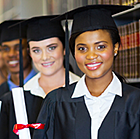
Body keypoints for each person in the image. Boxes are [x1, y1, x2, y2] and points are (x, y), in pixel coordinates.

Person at [32, 5, 140, 139]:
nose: (91, 56)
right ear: (73, 52)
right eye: (82, 49)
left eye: (100, 47)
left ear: (115, 48)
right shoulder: (56, 102)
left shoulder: (136, 102)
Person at [0, 15, 80, 139]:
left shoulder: (84, 92)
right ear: (29, 53)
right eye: (36, 50)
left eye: (51, 48)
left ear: (64, 48)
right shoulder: (15, 99)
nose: (44, 57)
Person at [0, 20, 37, 98]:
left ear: (29, 50)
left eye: (18, 48)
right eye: (6, 49)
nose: (11, 54)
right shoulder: (1, 91)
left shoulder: (44, 87)